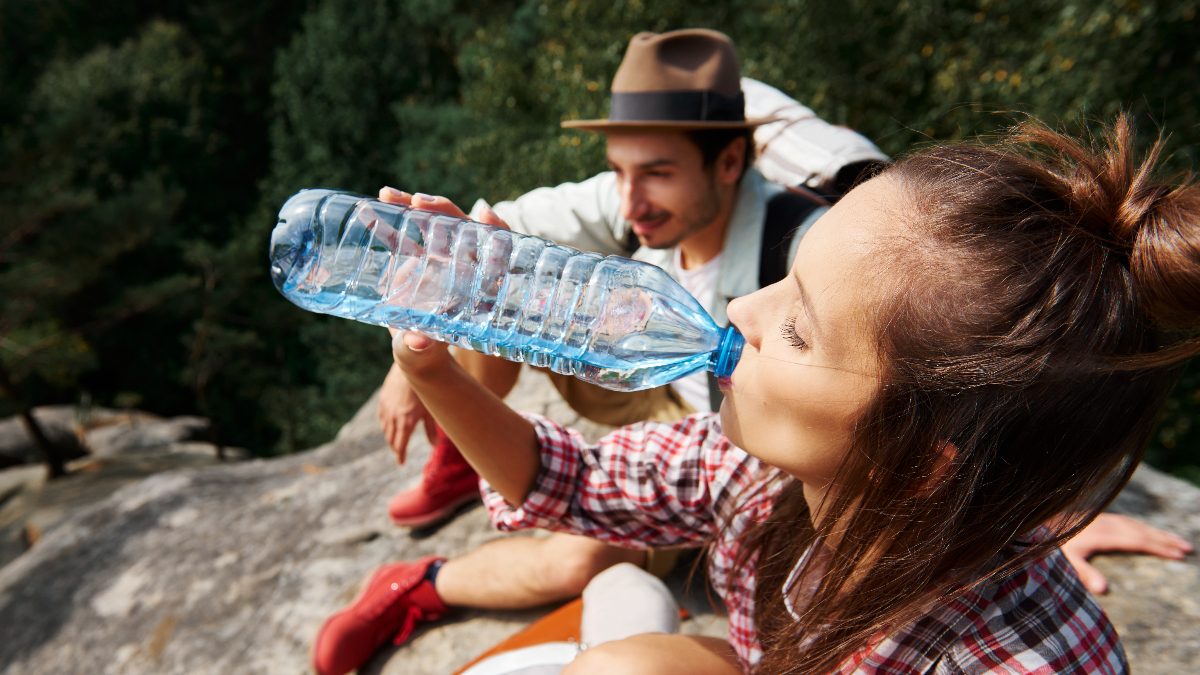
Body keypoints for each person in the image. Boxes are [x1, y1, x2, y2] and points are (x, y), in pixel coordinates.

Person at [386, 113, 1197, 673]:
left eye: (800, 329)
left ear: (918, 464)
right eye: (784, 281)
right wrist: (436, 368)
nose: (742, 310)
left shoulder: (1013, 657)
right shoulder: (762, 473)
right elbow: (565, 479)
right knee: (621, 620)